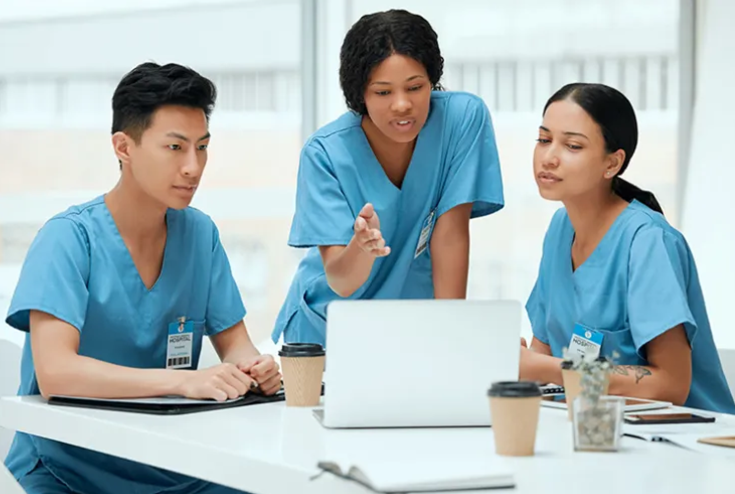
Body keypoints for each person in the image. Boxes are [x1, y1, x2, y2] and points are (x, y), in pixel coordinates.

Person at [4, 62, 281, 494]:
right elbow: (57, 373)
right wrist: (183, 380)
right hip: (65, 468)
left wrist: (257, 369)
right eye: (175, 148)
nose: (194, 167)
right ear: (123, 147)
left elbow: (237, 347)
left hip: (168, 465)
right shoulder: (67, 239)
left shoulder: (200, 234)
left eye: (202, 147)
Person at [272, 9, 504, 347]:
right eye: (382, 92)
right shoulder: (325, 154)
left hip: (410, 328)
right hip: (327, 332)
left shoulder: (461, 119)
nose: (402, 105)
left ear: (432, 81)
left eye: (415, 87)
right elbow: (341, 279)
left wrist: (451, 336)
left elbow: (450, 235)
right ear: (359, 94)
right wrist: (361, 248)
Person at [520, 82, 735, 413]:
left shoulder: (648, 241)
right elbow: (542, 356)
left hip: (688, 440)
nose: (549, 157)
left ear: (612, 163)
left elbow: (671, 385)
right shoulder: (559, 231)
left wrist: (543, 368)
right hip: (598, 430)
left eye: (572, 146)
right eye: (544, 139)